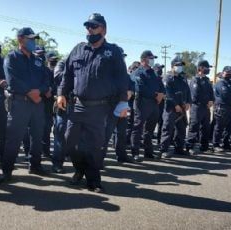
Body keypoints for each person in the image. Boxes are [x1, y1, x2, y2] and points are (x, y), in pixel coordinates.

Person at [57, 13, 129, 192]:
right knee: (70, 141)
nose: (90, 29)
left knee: (95, 146)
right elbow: (67, 75)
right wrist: (61, 94)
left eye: (94, 26)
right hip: (78, 105)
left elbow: (122, 79)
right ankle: (79, 169)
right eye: (88, 26)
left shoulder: (113, 52)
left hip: (100, 108)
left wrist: (123, 102)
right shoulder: (78, 49)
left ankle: (93, 180)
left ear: (103, 29)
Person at [0, 27, 51, 182]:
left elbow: (46, 80)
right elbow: (12, 80)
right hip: (20, 103)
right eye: (30, 39)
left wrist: (39, 91)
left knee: (37, 136)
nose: (32, 42)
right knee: (14, 138)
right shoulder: (12, 57)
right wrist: (30, 92)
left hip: (37, 104)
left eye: (34, 39)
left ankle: (35, 165)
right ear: (20, 39)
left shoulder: (38, 60)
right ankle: (7, 170)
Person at [102, 47, 136, 163]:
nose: (122, 59)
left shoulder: (124, 74)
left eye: (123, 57)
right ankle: (99, 158)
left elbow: (131, 85)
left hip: (123, 106)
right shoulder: (107, 73)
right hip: (110, 107)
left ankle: (121, 156)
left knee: (121, 133)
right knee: (106, 134)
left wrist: (130, 91)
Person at [130, 50, 165, 161]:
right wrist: (156, 94)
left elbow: (161, 86)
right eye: (150, 58)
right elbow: (140, 88)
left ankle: (148, 152)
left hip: (154, 104)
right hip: (142, 103)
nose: (152, 60)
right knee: (138, 128)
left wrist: (161, 93)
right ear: (144, 59)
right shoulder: (137, 73)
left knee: (149, 130)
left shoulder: (153, 72)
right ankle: (135, 153)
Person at [159, 56, 191, 158]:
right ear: (173, 66)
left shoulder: (182, 79)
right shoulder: (168, 78)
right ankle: (164, 149)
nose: (180, 67)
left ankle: (179, 148)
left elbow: (188, 91)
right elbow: (168, 94)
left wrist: (188, 102)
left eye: (181, 65)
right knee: (168, 129)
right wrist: (175, 105)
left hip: (182, 108)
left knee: (181, 129)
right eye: (178, 65)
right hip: (171, 108)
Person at [185, 60, 215, 154]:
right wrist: (206, 101)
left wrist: (211, 101)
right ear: (201, 68)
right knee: (194, 126)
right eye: (206, 68)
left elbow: (211, 93)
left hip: (206, 107)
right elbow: (195, 95)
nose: (208, 70)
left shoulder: (207, 80)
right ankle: (190, 146)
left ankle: (204, 146)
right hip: (197, 107)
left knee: (206, 127)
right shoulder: (195, 80)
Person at [212, 66, 231, 152]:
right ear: (223, 73)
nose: (229, 74)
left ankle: (226, 144)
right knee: (219, 127)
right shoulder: (220, 83)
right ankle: (215, 145)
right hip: (222, 108)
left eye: (230, 73)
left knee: (229, 127)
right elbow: (225, 95)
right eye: (227, 72)